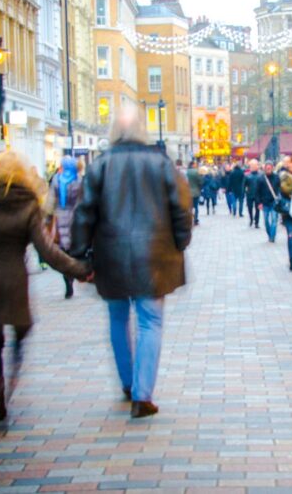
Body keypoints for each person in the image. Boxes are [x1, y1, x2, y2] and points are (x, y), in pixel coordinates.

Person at [71, 104, 193, 419]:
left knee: (117, 318)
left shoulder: (100, 166)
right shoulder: (161, 163)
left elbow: (84, 212)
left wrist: (80, 253)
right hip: (154, 254)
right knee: (150, 321)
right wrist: (181, 242)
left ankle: (128, 383)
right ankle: (142, 395)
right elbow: (181, 207)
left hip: (110, 254)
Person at [0, 151, 89, 421]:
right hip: (14, 279)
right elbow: (48, 251)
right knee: (21, 327)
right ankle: (15, 358)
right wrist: (80, 270)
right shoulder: (27, 204)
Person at [45, 158, 84, 299]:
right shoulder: (79, 180)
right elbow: (84, 199)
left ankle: (67, 277)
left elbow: (50, 200)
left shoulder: (57, 179)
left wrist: (47, 218)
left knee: (63, 250)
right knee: (73, 249)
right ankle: (72, 274)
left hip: (60, 218)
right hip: (76, 218)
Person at [255, 161, 281, 243]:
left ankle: (272, 237)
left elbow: (280, 189)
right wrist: (259, 203)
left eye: (270, 168)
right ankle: (270, 234)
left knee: (274, 220)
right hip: (264, 202)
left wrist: (279, 198)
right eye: (267, 168)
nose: (268, 169)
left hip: (274, 202)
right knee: (266, 221)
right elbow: (257, 192)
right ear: (264, 168)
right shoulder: (260, 178)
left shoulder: (277, 177)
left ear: (272, 168)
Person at [244, 160, 261, 228]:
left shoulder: (260, 175)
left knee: (257, 209)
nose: (253, 167)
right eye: (252, 166)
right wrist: (245, 192)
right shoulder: (247, 176)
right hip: (250, 194)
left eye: (255, 165)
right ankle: (251, 219)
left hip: (258, 195)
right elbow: (244, 185)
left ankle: (256, 222)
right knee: (250, 208)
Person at [186, 160, 202, 225]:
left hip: (187, 192)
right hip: (196, 192)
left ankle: (189, 219)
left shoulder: (186, 172)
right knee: (195, 206)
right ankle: (195, 219)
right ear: (192, 165)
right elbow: (200, 182)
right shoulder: (196, 172)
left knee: (189, 207)